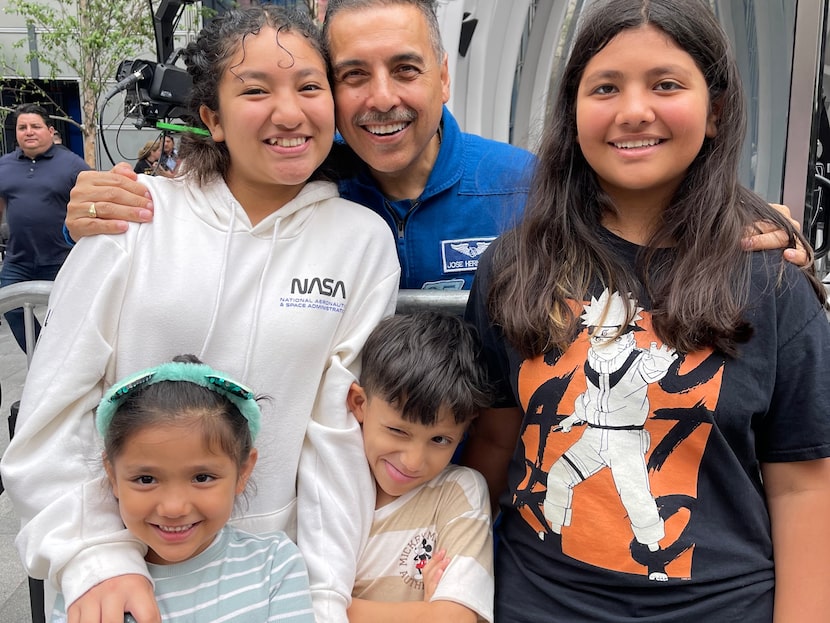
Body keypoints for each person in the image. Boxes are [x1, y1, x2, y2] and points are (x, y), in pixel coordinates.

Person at [0, 6, 399, 623]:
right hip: (118, 569)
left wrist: (322, 597)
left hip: (269, 580)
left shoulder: (361, 242)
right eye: (256, 89)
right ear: (210, 117)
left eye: (309, 87)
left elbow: (336, 438)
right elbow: (57, 410)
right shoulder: (133, 217)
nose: (288, 113)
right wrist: (96, 556)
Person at [463, 0, 830, 621]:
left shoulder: (771, 281)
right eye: (604, 87)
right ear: (573, 112)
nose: (634, 110)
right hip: (539, 603)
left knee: (640, 504)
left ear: (715, 112)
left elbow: (803, 487)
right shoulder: (515, 267)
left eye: (666, 84)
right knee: (559, 483)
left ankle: (658, 546)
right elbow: (496, 443)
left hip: (718, 601)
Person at [62, 0, 809, 290]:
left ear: (444, 79)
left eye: (406, 70)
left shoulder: (529, 183)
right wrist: (110, 202)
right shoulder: (299, 187)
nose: (381, 98)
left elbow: (639, 207)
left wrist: (734, 215)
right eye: (353, 75)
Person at [51, 355, 315, 622]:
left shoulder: (275, 565)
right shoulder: (93, 586)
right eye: (146, 479)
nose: (174, 508)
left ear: (243, 470)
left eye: (202, 477)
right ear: (112, 474)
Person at [346, 311, 493, 623]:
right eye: (398, 431)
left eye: (439, 439)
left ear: (466, 428)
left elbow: (454, 620)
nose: (413, 461)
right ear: (359, 403)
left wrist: (332, 605)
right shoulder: (332, 477)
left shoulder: (458, 492)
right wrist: (424, 612)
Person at [0, 103, 90, 352]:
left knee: (69, 314)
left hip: (61, 258)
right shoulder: (4, 166)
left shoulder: (72, 165)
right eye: (22, 127)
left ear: (50, 131)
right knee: (10, 308)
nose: (28, 132)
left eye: (35, 126)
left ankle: (67, 358)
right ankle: (42, 353)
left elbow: (90, 203)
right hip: (17, 261)